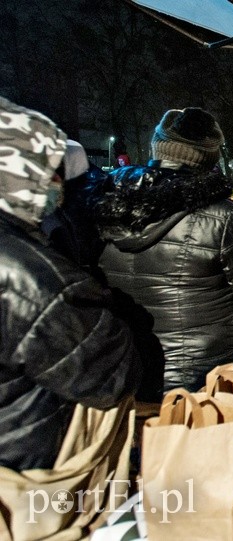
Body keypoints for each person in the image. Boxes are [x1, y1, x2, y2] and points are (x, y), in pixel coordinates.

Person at [94, 107, 233, 394]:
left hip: (125, 364)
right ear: (210, 156)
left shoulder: (105, 204)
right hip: (203, 373)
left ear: (157, 147)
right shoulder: (225, 215)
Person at [0, 96, 141, 470]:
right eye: (51, 170)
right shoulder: (26, 273)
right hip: (28, 468)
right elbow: (110, 374)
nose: (59, 182)